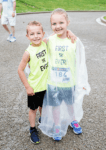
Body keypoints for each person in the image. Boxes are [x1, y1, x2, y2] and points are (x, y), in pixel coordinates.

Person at [18, 21, 76, 144]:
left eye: (38, 33)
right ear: (27, 36)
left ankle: (43, 121)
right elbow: (20, 70)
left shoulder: (45, 43)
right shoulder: (28, 52)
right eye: (32, 34)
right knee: (33, 109)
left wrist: (69, 32)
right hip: (34, 88)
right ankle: (33, 129)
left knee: (43, 106)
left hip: (48, 86)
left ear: (43, 34)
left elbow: (58, 33)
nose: (36, 36)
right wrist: (27, 86)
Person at [39, 8, 91, 141]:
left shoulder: (74, 41)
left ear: (68, 22)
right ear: (51, 25)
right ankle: (57, 125)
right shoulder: (49, 40)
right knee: (55, 106)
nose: (58, 26)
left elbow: (80, 61)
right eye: (54, 24)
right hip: (53, 83)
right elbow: (36, 47)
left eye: (61, 23)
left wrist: (82, 81)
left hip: (69, 82)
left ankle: (73, 120)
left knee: (70, 104)